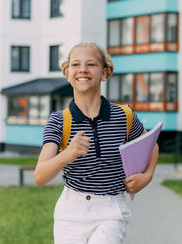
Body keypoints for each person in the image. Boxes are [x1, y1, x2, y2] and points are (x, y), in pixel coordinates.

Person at [34, 42, 159, 244]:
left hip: (110, 211)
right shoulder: (59, 121)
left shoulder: (123, 116)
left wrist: (147, 176)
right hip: (70, 213)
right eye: (76, 64)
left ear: (104, 72)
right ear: (67, 73)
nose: (83, 69)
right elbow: (40, 175)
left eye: (91, 64)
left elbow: (151, 144)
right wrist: (68, 154)